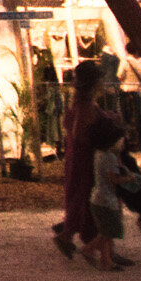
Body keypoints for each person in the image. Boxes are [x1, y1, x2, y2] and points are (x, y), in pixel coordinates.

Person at [49, 59, 108, 260]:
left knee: (82, 196)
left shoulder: (80, 104)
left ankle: (73, 236)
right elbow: (80, 133)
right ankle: (73, 237)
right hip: (85, 158)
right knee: (85, 197)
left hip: (80, 157)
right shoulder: (84, 106)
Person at [86, 115, 134, 270]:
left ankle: (106, 261)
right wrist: (128, 178)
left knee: (105, 231)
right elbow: (114, 179)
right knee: (109, 232)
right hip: (107, 200)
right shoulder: (110, 158)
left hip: (97, 197)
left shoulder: (99, 154)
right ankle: (89, 249)